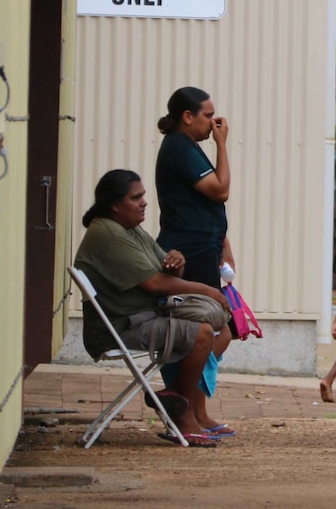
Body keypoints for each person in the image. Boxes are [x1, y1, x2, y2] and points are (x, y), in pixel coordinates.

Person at [74, 169, 232, 448]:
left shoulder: (130, 229)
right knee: (203, 333)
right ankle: (182, 413)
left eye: (143, 196)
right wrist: (209, 290)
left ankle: (172, 396)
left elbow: (167, 272)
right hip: (122, 327)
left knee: (217, 327)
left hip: (141, 318)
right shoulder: (107, 233)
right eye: (136, 198)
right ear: (114, 204)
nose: (144, 202)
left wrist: (177, 261)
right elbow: (156, 284)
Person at [155, 86, 235, 438]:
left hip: (204, 248)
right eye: (207, 115)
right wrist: (222, 144)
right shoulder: (178, 147)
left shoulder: (189, 148)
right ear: (187, 117)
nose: (213, 121)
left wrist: (223, 243)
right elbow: (220, 190)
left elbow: (208, 206)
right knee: (207, 330)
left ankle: (194, 408)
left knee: (220, 330)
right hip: (187, 252)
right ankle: (183, 404)